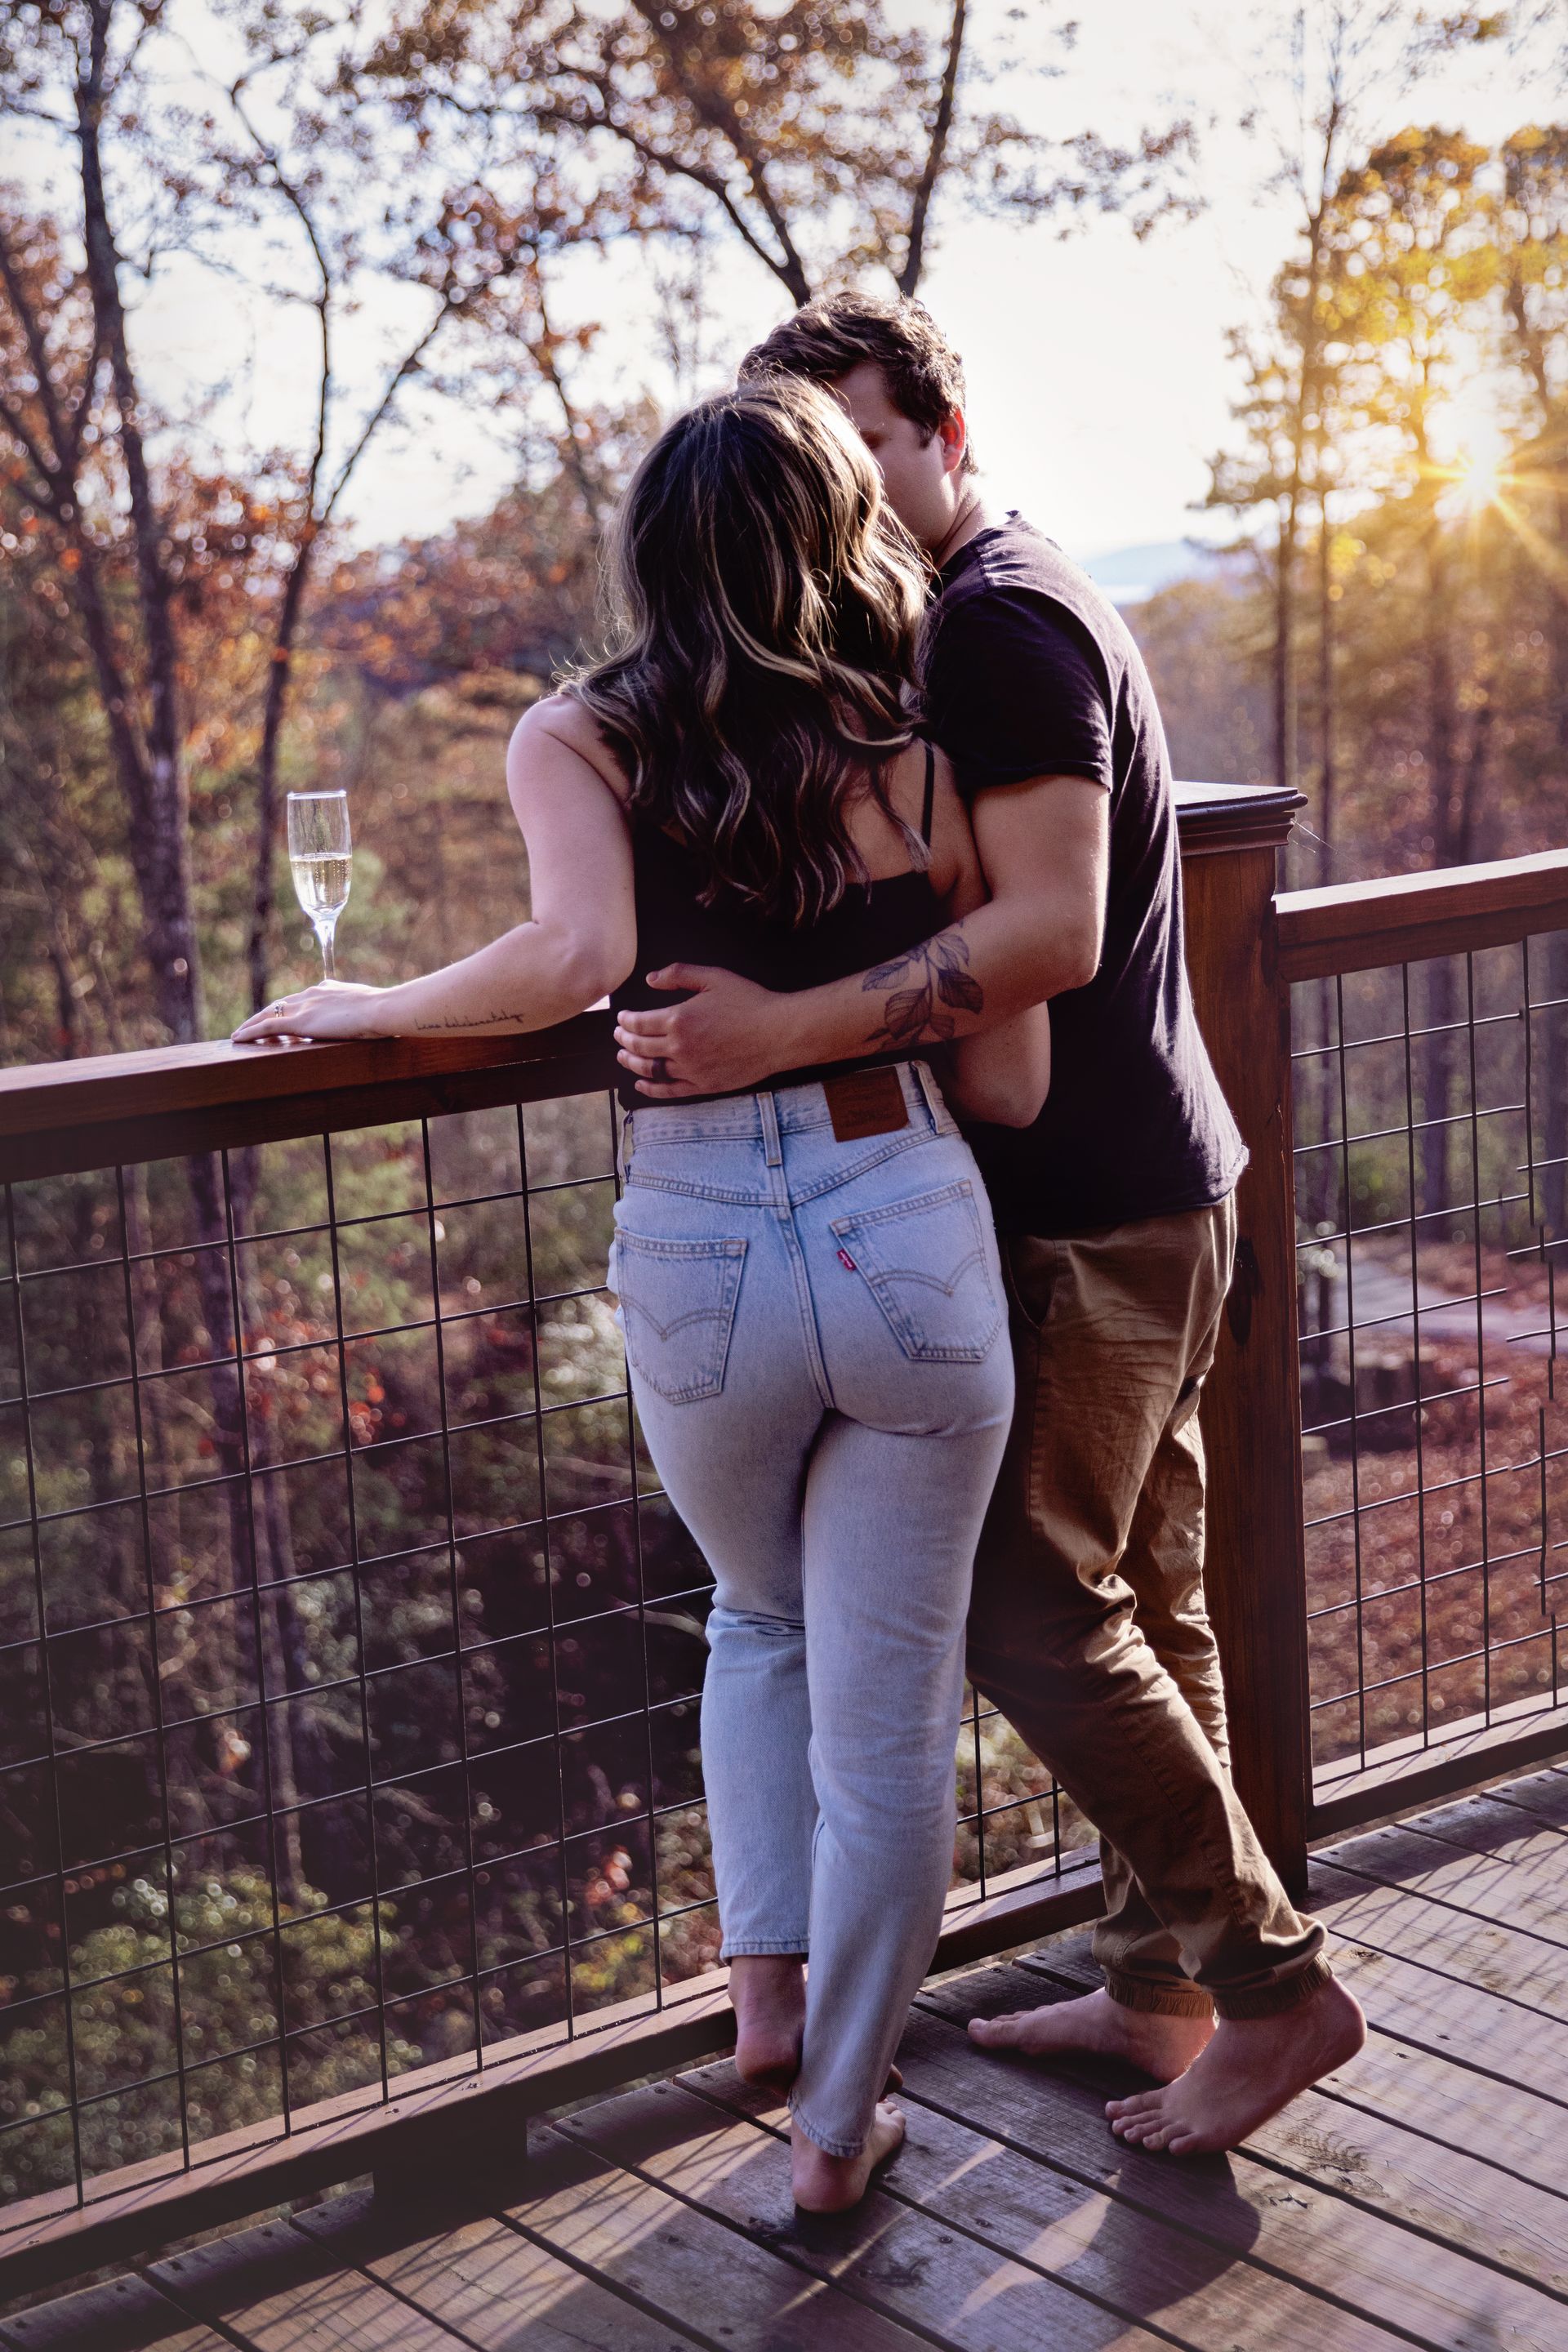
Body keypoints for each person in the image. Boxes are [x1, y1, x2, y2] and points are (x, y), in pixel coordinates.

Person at [233, 378, 1047, 2209]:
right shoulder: (923, 754)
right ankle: (835, 2127)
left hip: (698, 1239)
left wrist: (372, 1008)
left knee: (756, 1618)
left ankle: (764, 2005)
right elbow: (1010, 1078)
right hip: (905, 1212)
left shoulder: (580, 737)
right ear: (841, 533)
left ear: (655, 554)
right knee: (891, 1725)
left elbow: (576, 953)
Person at [611, 293, 1366, 2158]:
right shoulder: (978, 611)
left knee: (1034, 1611)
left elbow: (1051, 931)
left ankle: (1276, 1994)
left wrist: (775, 1030)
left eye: (864, 441)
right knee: (1145, 1607)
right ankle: (1164, 1986)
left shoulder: (996, 628)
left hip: (1092, 1210)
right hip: (1152, 1191)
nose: (846, 485)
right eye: (818, 456)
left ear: (944, 431)